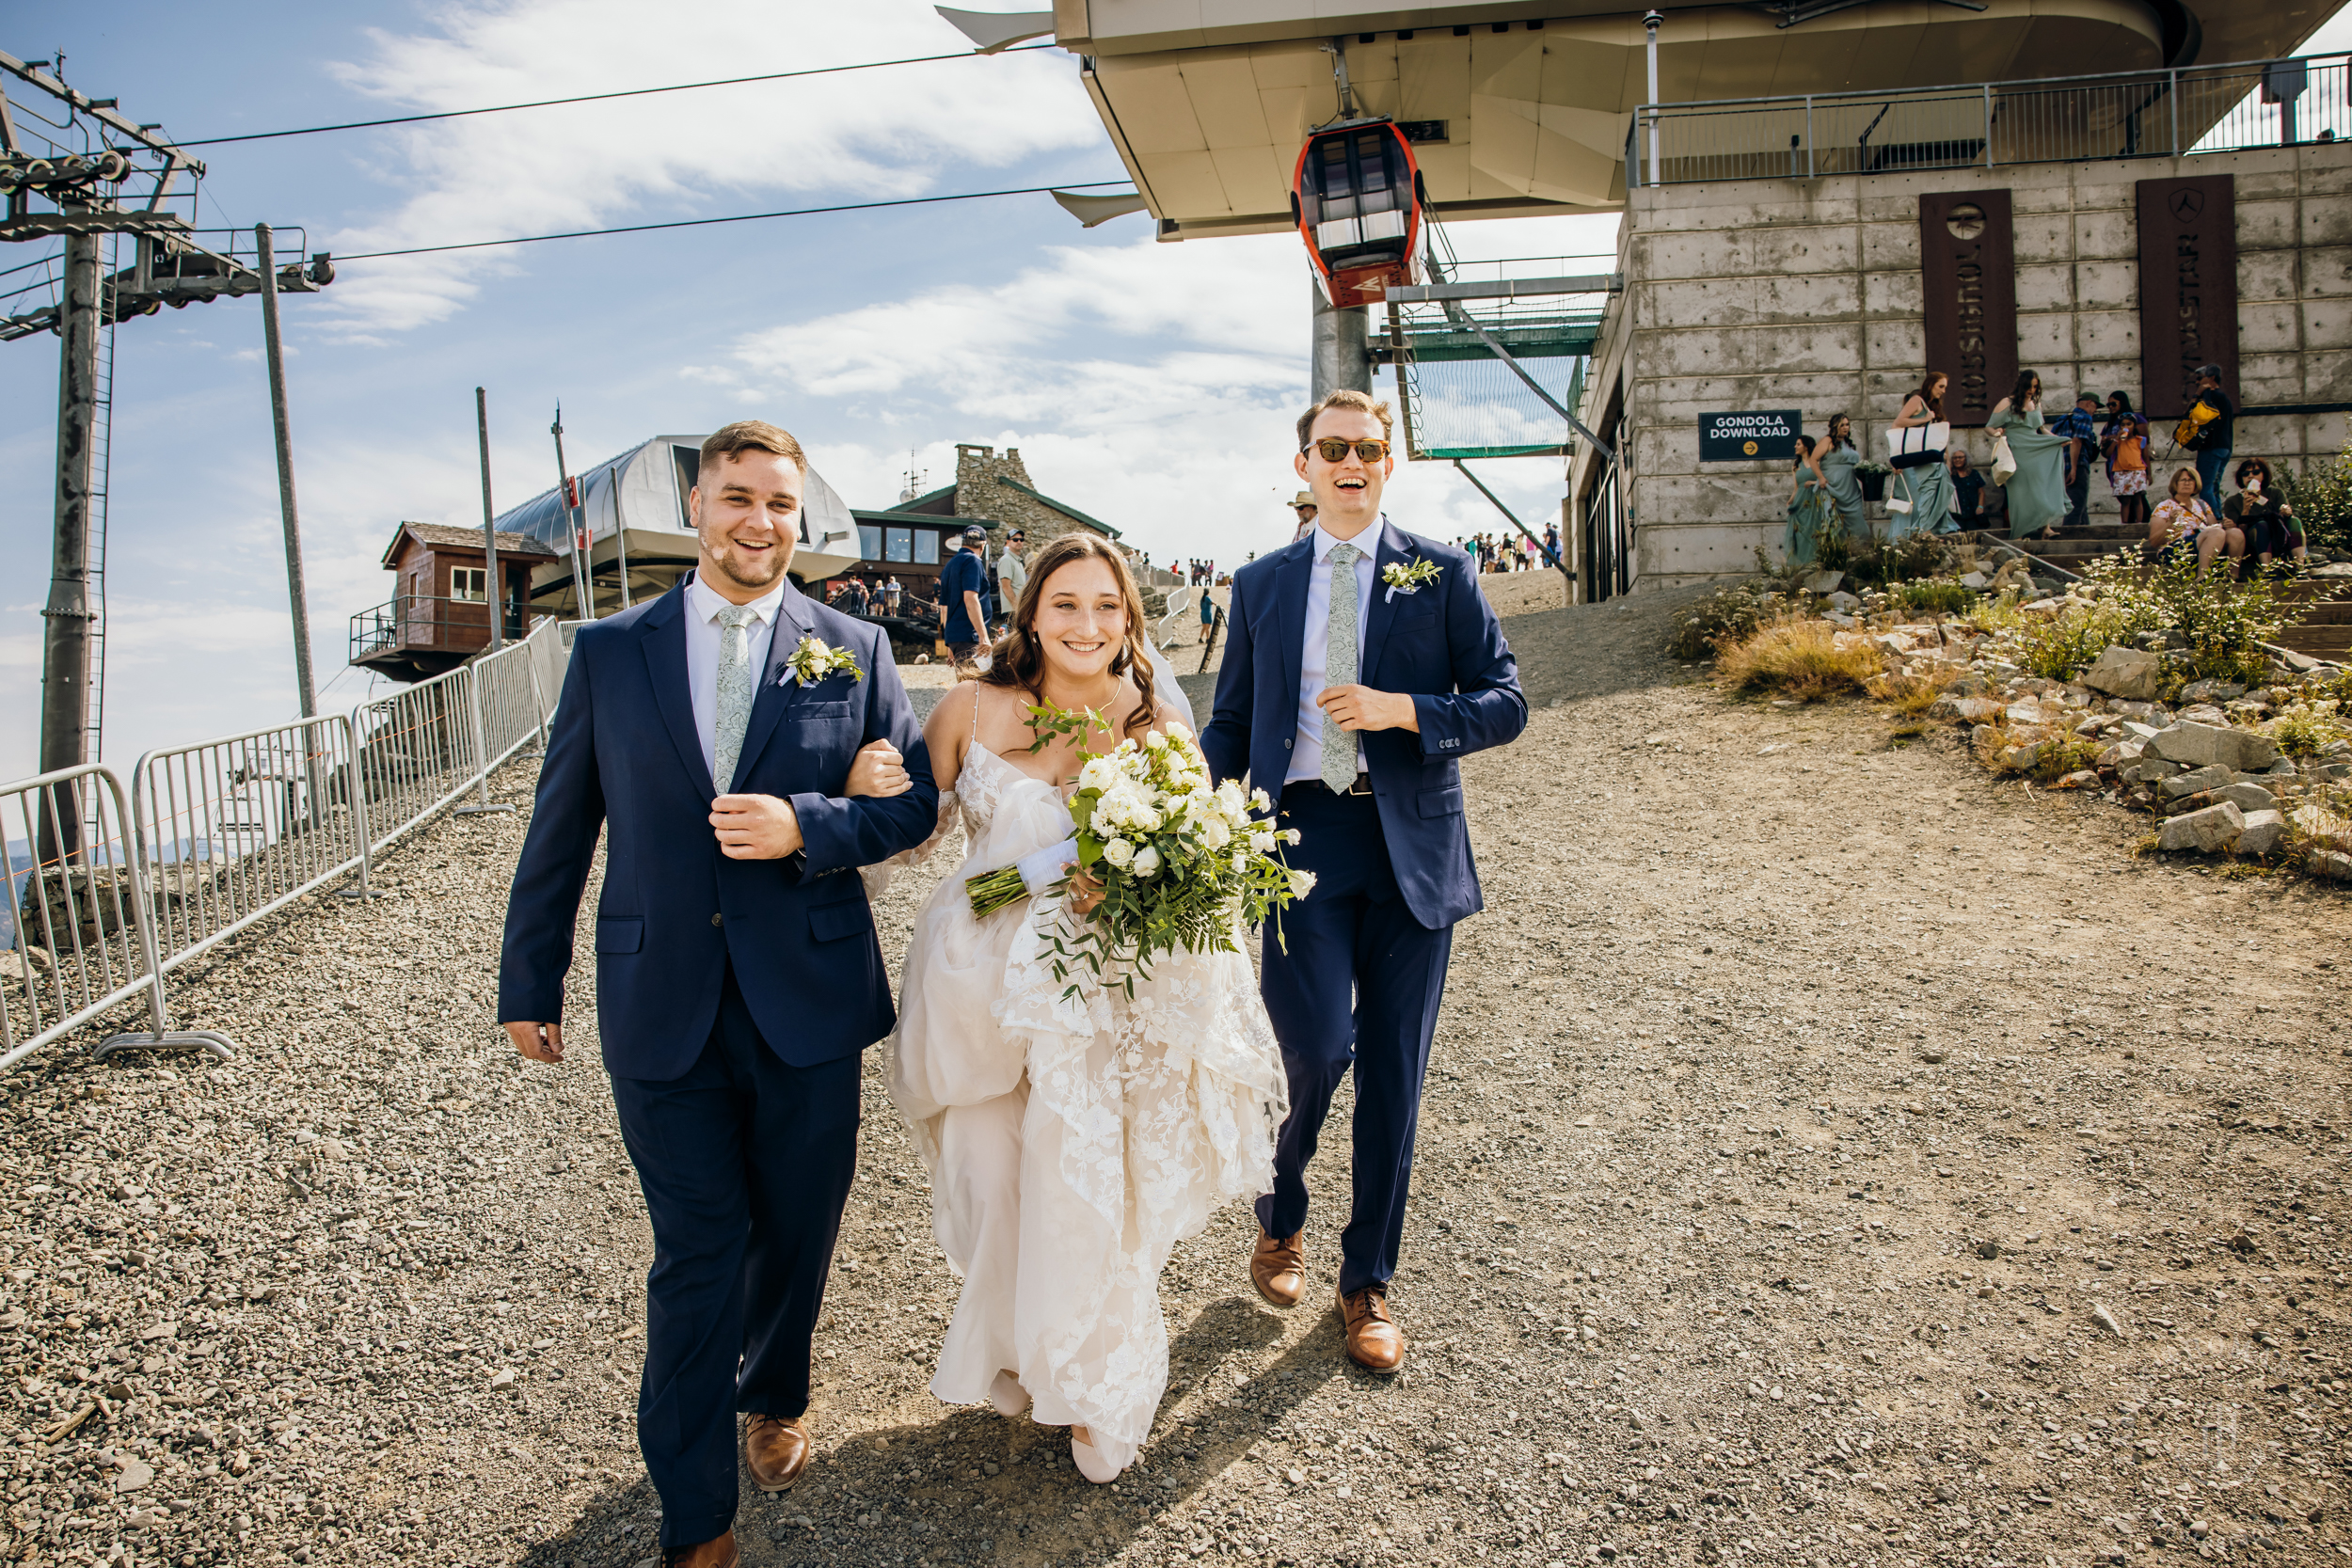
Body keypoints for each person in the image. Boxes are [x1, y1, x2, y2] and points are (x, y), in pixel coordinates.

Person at [497, 421, 938, 1568]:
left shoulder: (855, 647)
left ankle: (775, 1386)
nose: (759, 522)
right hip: (662, 998)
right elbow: (561, 829)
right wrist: (526, 977)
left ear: (802, 517)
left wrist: (812, 823)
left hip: (809, 992)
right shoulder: (609, 653)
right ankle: (696, 1522)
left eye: (781, 503)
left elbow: (912, 807)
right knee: (697, 1250)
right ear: (698, 506)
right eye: (738, 497)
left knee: (797, 1225)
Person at [887, 533, 1283, 1485]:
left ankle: (1097, 1384)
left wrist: (1144, 887)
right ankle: (1020, 1346)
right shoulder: (969, 707)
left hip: (1100, 992)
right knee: (989, 1176)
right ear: (1029, 613)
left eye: (1106, 607)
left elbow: (1197, 875)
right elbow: (908, 832)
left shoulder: (1152, 723)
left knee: (1081, 1185)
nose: (1086, 625)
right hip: (974, 977)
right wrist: (873, 789)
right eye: (1065, 604)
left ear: (1129, 622)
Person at [1202, 388, 1526, 1376]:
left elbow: (1504, 701)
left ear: (1388, 463)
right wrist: (1185, 788)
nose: (1351, 461)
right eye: (1331, 447)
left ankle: (1366, 1280)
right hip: (1298, 836)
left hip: (1414, 849)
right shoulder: (1257, 585)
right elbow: (1229, 720)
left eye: (1369, 448)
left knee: (1394, 1068)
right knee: (1311, 1047)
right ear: (1301, 464)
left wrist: (1403, 710)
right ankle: (1281, 1206)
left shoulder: (1444, 570)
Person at [1988, 370, 2070, 539]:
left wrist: (2057, 439)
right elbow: (1989, 426)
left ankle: (2046, 528)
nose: (2032, 390)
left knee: (2041, 486)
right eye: (2029, 386)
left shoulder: (2036, 404)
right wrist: (1997, 433)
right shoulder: (2007, 402)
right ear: (2021, 384)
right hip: (2017, 450)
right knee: (2019, 491)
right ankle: (2019, 531)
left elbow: (2041, 429)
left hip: (2036, 448)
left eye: (2035, 387)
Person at [1888, 372, 1955, 537]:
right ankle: (1920, 534)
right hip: (1914, 460)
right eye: (1941, 386)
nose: (1943, 391)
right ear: (1930, 385)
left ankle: (1926, 532)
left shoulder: (1934, 407)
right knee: (1918, 498)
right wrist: (1924, 419)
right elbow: (1898, 422)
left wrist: (1946, 459)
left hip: (1930, 460)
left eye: (1945, 387)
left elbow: (1938, 438)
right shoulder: (1916, 400)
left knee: (1933, 496)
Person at [2225, 457, 2306, 574]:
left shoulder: (2275, 493)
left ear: (2264, 475)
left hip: (2278, 533)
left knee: (2295, 521)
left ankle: (2300, 567)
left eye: (2256, 472)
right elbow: (2239, 531)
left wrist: (2286, 512)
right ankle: (2266, 569)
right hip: (2251, 538)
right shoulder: (2233, 501)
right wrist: (2246, 509)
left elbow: (2286, 517)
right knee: (2262, 525)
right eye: (2245, 474)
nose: (2250, 476)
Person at [2147, 467, 2226, 572]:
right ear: (2175, 483)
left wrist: (2226, 525)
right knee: (2216, 533)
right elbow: (2154, 542)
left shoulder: (2202, 505)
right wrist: (2170, 523)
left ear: (2195, 484)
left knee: (2235, 534)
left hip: (2200, 547)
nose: (2187, 483)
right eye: (2183, 480)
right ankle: (2203, 577)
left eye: (2190, 480)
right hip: (2173, 550)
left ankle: (2234, 577)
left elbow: (2214, 528)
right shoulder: (2164, 506)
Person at [1809, 414, 1868, 548]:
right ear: (1835, 426)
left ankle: (1856, 550)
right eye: (1842, 425)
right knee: (1834, 523)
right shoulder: (1827, 440)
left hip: (1850, 489)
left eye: (1847, 424)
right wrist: (1821, 477)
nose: (1845, 427)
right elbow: (1813, 460)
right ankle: (1837, 553)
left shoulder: (1848, 443)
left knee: (1860, 527)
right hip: (1832, 487)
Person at [940, 524, 992, 665]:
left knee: (965, 683)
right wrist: (983, 637)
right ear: (982, 546)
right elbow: (970, 598)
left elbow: (944, 609)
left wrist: (950, 643)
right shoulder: (973, 561)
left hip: (956, 636)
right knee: (978, 684)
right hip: (971, 635)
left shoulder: (950, 565)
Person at [2185, 365, 2236, 507]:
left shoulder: (2211, 396)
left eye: (2200, 378)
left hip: (2211, 447)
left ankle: (2213, 520)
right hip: (2224, 447)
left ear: (2211, 378)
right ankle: (2218, 517)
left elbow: (2189, 414)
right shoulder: (2223, 397)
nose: (2197, 382)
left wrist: (2197, 395)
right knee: (2213, 488)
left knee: (2205, 488)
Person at [2103, 392, 2152, 538]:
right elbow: (2105, 448)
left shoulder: (2136, 421)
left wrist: (2149, 472)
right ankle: (2127, 525)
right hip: (2117, 467)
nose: (2110, 407)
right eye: (2108, 405)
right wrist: (2112, 439)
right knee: (2124, 499)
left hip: (2135, 467)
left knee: (2138, 499)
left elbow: (2144, 447)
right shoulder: (2111, 422)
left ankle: (2140, 525)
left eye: (2114, 404)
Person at [2054, 392, 2101, 531]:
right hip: (2078, 465)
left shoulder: (2062, 419)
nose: (2095, 411)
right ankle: (2068, 537)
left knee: (2080, 504)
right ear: (2089, 403)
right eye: (2095, 407)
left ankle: (2086, 533)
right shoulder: (2085, 417)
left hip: (2061, 466)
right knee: (2076, 506)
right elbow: (2077, 441)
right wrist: (2074, 469)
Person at [1786, 433, 1834, 564]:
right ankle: (1803, 565)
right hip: (1800, 502)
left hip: (1815, 500)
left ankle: (1816, 561)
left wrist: (1812, 483)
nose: (1795, 446)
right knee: (1801, 534)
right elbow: (1796, 488)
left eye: (1798, 444)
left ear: (1806, 447)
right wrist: (1790, 502)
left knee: (1816, 530)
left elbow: (1826, 480)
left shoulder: (1818, 462)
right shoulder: (1795, 466)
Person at [993, 530, 1027, 636]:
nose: (1019, 542)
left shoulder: (1017, 561)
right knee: (1017, 643)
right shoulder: (1006, 560)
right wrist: (1017, 608)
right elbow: (1006, 587)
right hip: (1013, 610)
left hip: (1019, 609)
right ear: (1008, 542)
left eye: (1021, 540)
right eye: (1015, 539)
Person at [1947, 448, 1988, 529]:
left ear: (1966, 459)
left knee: (1974, 536)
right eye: (1955, 458)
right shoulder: (1950, 475)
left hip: (1973, 512)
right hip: (1956, 513)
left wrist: (1980, 506)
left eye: (1960, 457)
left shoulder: (1974, 473)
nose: (1957, 460)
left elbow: (1981, 492)